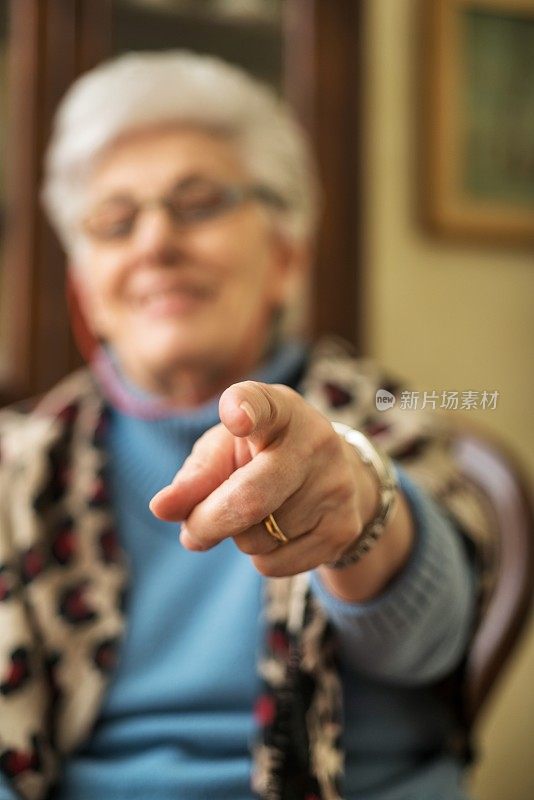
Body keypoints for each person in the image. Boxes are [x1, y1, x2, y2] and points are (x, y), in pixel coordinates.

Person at [0, 51, 496, 800]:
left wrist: (354, 499)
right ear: (86, 288)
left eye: (197, 204)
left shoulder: (383, 417)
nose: (154, 242)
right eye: (114, 220)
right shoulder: (18, 467)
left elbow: (433, 643)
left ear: (286, 257)